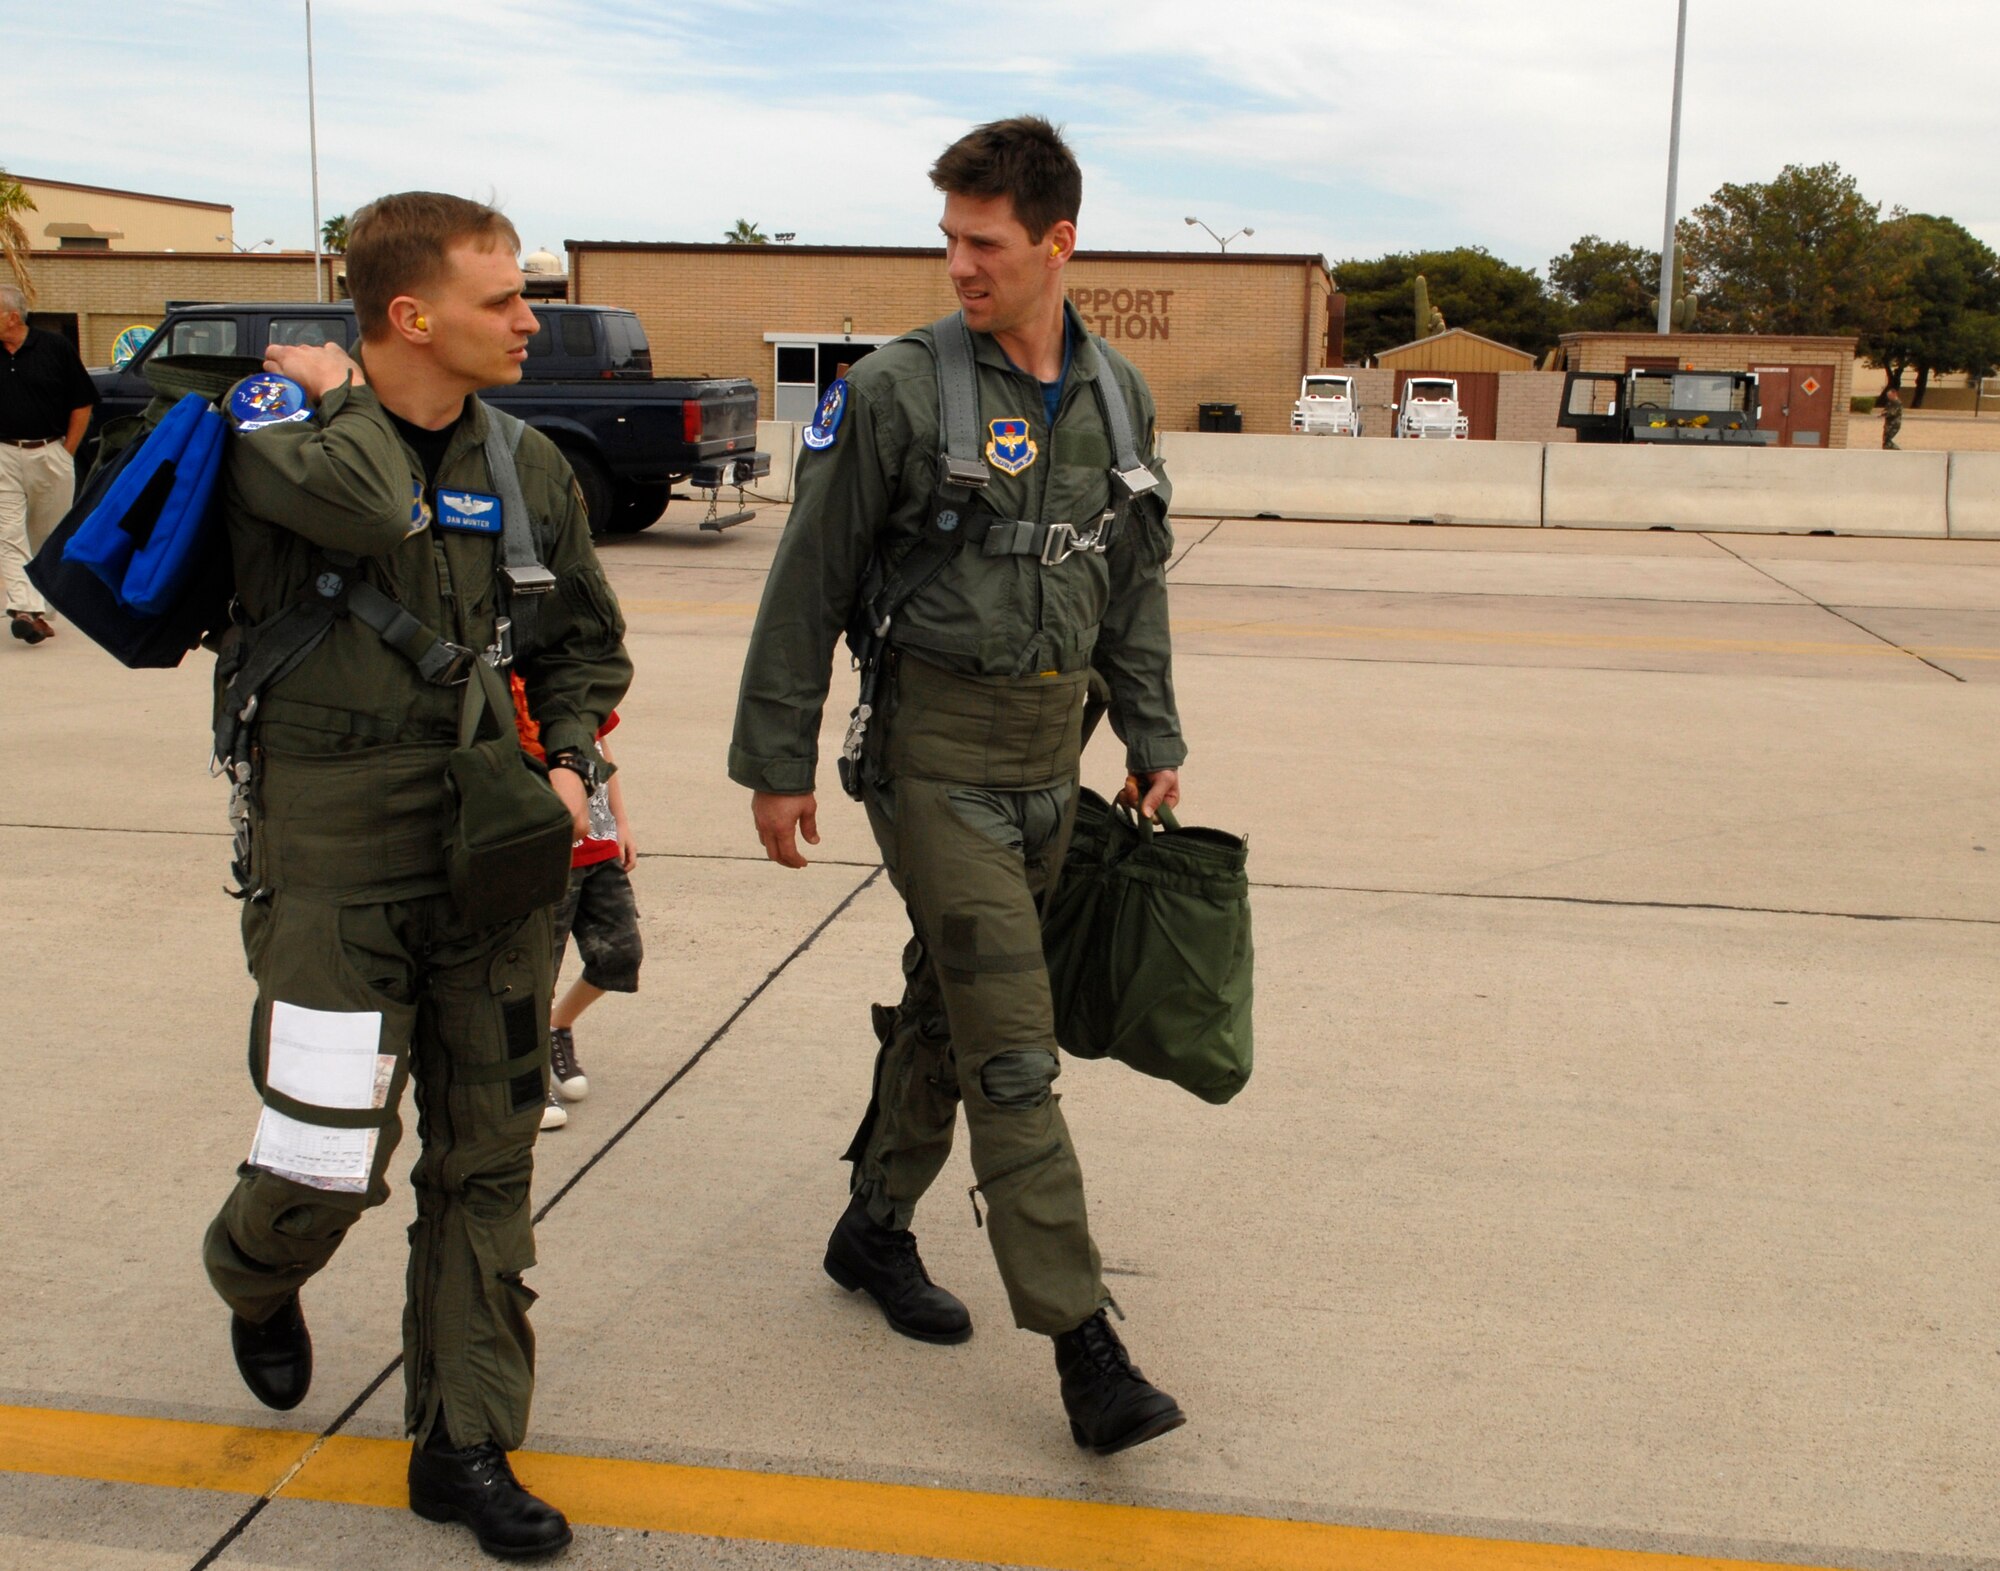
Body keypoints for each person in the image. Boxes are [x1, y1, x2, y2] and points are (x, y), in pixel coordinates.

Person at [728, 116, 1190, 1455]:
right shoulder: (895, 391)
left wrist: (1151, 731)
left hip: (1055, 759)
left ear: (1058, 242)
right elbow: (806, 577)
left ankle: (872, 1226)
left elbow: (1131, 582)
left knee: (950, 992)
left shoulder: (1118, 397)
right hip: (932, 758)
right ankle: (1086, 1343)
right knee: (1011, 1041)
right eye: (948, 240)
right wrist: (775, 758)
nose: (959, 266)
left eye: (982, 242)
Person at [199, 192, 630, 1559]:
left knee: (488, 1155)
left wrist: (569, 764)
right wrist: (334, 398)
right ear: (409, 314)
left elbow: (580, 643)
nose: (530, 319)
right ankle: (254, 1274)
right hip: (331, 853)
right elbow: (374, 501)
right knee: (327, 1156)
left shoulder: (529, 464)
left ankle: (464, 1440)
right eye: (503, 298)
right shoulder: (282, 431)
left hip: (492, 841)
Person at [508, 672, 644, 1131]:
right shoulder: (502, 679)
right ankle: (527, 1075)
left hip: (598, 841)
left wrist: (621, 823)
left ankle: (555, 1026)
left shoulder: (570, 670)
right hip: (544, 849)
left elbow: (604, 750)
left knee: (620, 955)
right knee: (535, 970)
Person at [0, 282, 98, 645]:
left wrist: (66, 451)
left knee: (49, 535)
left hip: (50, 453)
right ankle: (24, 609)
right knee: (8, 534)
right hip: (3, 456)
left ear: (12, 317)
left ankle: (39, 611)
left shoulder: (55, 348)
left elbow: (82, 403)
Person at [1879, 384, 1903, 450]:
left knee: (1887, 439)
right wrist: (1884, 413)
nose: (1888, 397)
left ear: (1894, 394)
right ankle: (1887, 449)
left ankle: (1896, 449)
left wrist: (1885, 413)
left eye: (1889, 395)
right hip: (1888, 423)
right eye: (1888, 396)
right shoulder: (1890, 402)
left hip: (1894, 424)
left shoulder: (1897, 403)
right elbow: (1885, 410)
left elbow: (1892, 413)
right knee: (1885, 439)